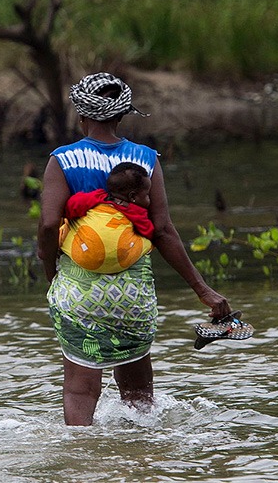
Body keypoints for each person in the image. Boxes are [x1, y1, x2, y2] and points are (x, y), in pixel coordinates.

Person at [37, 71, 232, 426]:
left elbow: (49, 226)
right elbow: (163, 231)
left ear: (82, 114)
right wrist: (203, 291)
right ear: (121, 114)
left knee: (80, 389)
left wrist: (51, 275)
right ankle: (141, 459)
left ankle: (80, 463)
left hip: (80, 292)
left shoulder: (62, 160)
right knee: (138, 388)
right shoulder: (145, 158)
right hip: (133, 294)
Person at [58, 161, 154, 274]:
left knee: (66, 225)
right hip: (120, 261)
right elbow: (148, 231)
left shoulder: (95, 197)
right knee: (149, 243)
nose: (149, 199)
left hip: (83, 255)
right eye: (147, 195)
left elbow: (70, 206)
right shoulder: (137, 212)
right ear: (132, 196)